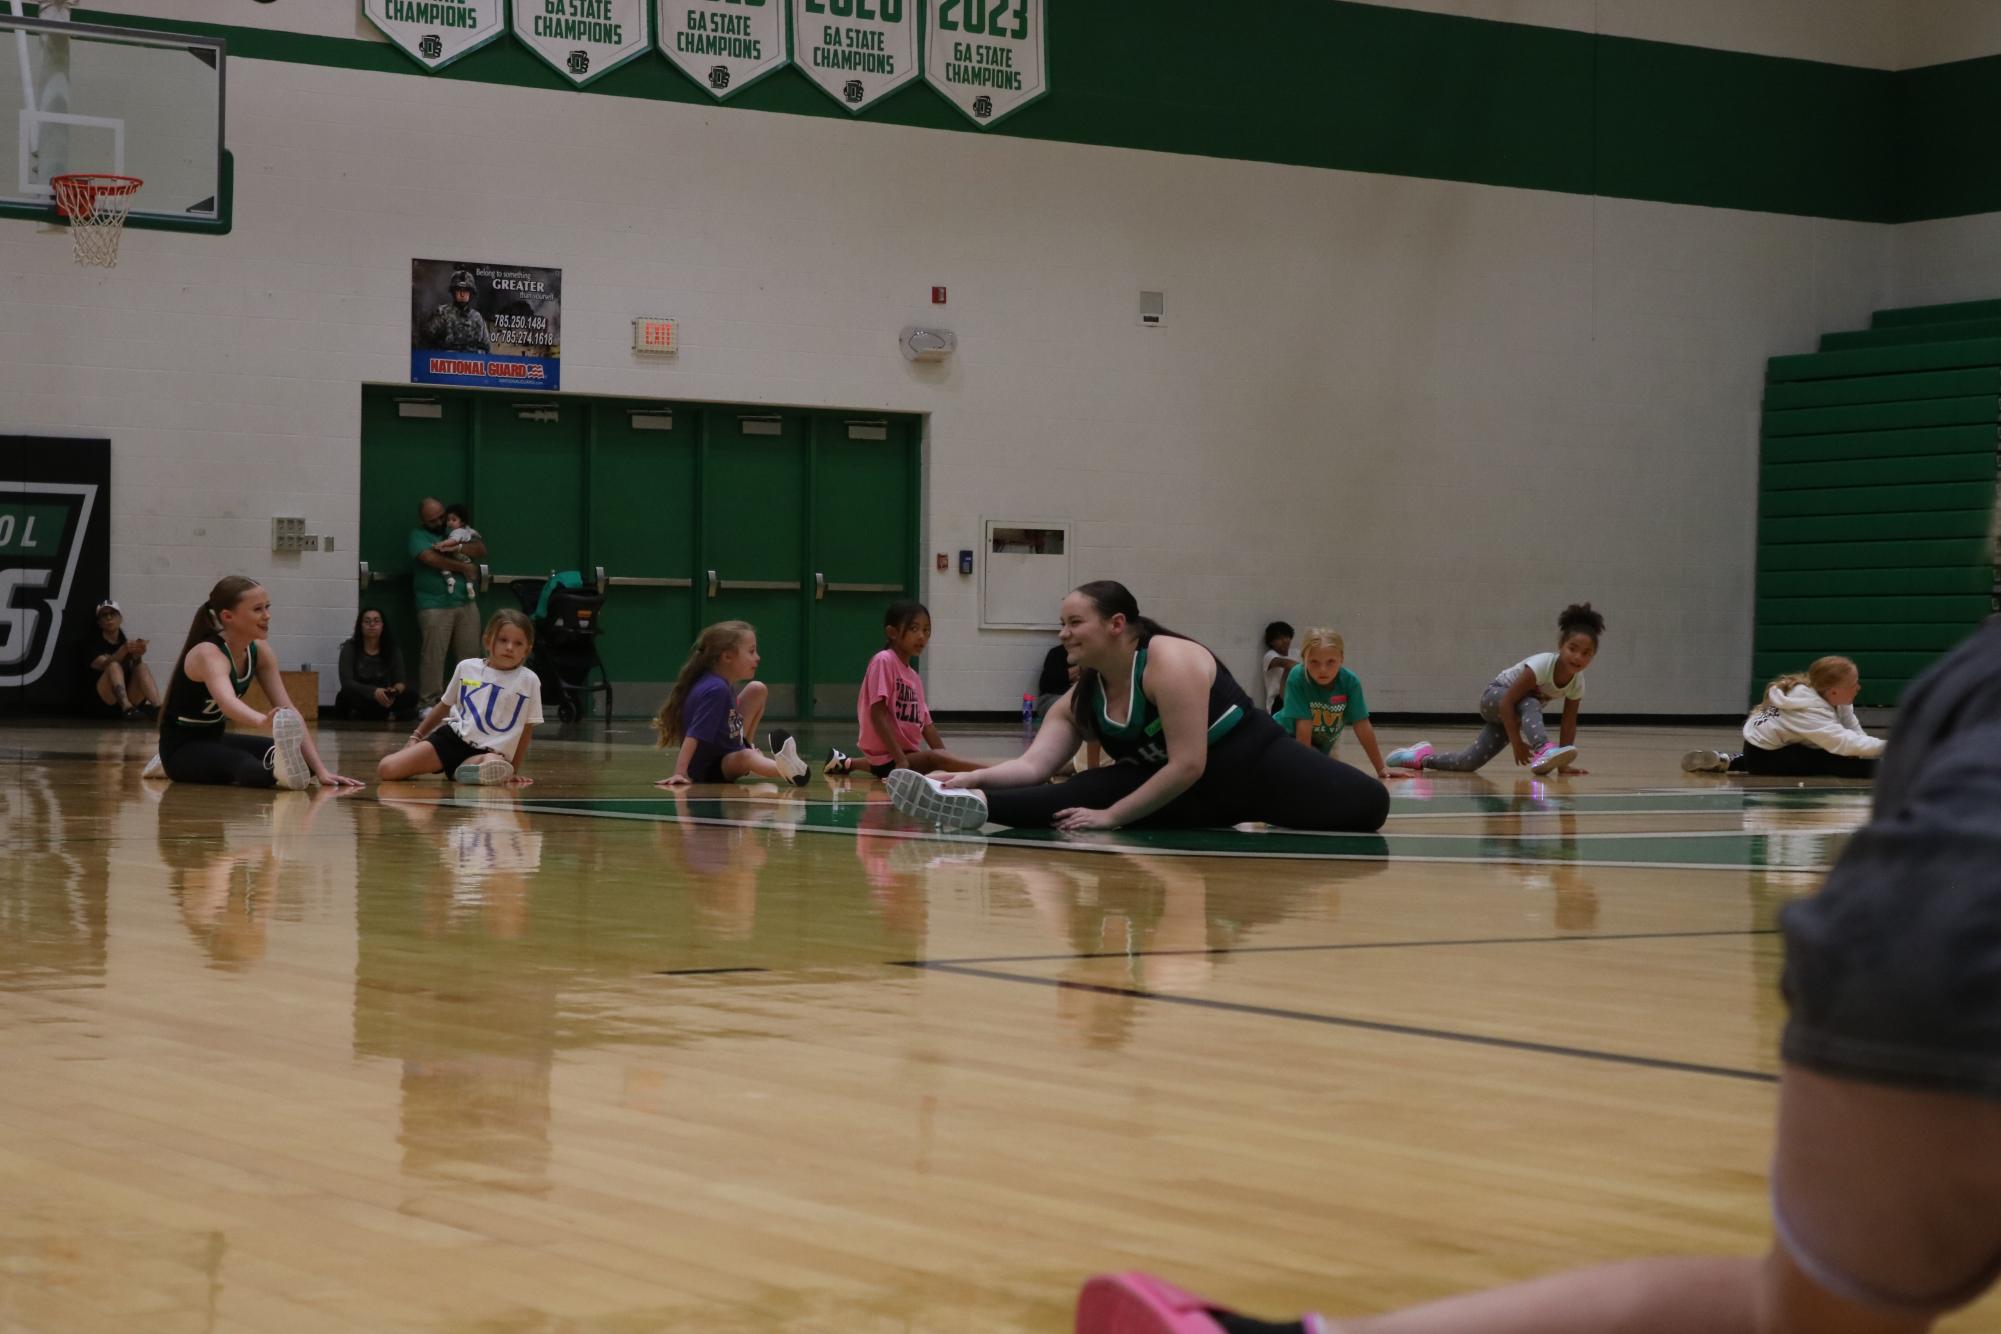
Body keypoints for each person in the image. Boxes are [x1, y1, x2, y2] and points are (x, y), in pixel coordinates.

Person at [1074, 615, 2001, 1334]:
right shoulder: (1521, 669)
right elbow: (1514, 705)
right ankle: (1423, 759)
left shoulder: (1963, 674)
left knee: (1799, 1311)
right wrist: (1519, 752)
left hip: (1892, 940)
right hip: (1948, 934)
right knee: (1477, 746)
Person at [883, 582, 1390, 833]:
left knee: (1370, 806)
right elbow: (1034, 766)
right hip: (1180, 792)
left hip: (1253, 768)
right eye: (1062, 623)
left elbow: (1190, 762)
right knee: (1074, 795)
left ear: (1116, 624)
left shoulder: (1171, 661)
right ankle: (957, 807)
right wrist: (974, 780)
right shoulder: (1080, 698)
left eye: (1074, 622)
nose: (1063, 633)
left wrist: (1112, 819)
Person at [151, 575, 361, 789]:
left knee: (304, 764)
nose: (267, 616)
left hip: (215, 740)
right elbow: (227, 702)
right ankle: (161, 762)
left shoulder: (260, 651)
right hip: (181, 749)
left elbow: (289, 708)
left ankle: (283, 768)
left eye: (267, 607)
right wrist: (262, 721)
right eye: (257, 609)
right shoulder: (209, 654)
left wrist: (322, 771)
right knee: (248, 768)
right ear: (228, 616)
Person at [1387, 604, 1603, 777]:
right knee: (1531, 702)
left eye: (1586, 653)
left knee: (1468, 762)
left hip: (1512, 714)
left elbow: (1568, 723)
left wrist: (1564, 764)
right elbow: (1507, 702)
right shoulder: (1542, 665)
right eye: (1572, 649)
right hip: (1495, 699)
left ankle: (1419, 758)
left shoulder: (1577, 683)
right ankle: (1542, 749)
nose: (1578, 657)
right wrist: (1517, 743)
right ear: (1560, 646)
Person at [377, 609, 543, 785]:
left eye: (518, 643)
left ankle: (469, 771)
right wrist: (415, 737)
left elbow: (526, 729)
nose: (510, 647)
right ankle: (466, 772)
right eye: (503, 640)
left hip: (490, 752)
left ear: (527, 649)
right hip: (451, 741)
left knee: (492, 762)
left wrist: (513, 770)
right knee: (386, 768)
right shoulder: (466, 668)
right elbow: (443, 706)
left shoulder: (529, 680)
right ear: (488, 641)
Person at [825, 601, 983, 778]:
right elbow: (877, 714)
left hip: (901, 756)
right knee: (934, 758)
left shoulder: (914, 677)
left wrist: (948, 760)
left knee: (940, 757)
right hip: (893, 758)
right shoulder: (884, 661)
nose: (922, 636)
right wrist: (902, 760)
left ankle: (846, 763)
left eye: (926, 630)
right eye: (914, 629)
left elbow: (927, 726)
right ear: (892, 632)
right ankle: (992, 772)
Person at [652, 621, 809, 788]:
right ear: (727, 657)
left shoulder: (721, 682)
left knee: (757, 689)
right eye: (751, 651)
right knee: (747, 758)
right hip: (711, 768)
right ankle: (789, 770)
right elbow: (694, 735)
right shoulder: (716, 690)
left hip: (730, 749)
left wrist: (743, 746)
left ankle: (748, 747)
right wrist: (680, 773)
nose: (758, 657)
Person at [1683, 656, 1884, 778]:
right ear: (1833, 692)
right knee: (1832, 761)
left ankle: (1728, 760)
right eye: (1853, 684)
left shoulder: (1831, 697)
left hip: (1767, 749)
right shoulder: (1808, 709)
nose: (1858, 687)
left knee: (1831, 752)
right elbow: (1844, 743)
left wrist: (1866, 750)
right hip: (1767, 758)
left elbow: (1853, 731)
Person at [1273, 628, 1399, 781]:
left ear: (1342, 658)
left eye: (1330, 662)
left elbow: (1362, 725)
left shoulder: (1350, 682)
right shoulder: (1298, 677)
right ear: (1304, 659)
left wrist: (1381, 768)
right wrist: (1304, 771)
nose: (1323, 669)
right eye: (1314, 662)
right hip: (1283, 737)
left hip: (1319, 746)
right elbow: (1303, 728)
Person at [410, 495, 485, 707]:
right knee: (434, 656)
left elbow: (480, 548)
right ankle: (429, 703)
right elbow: (429, 558)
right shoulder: (418, 535)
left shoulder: (455, 529)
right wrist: (464, 567)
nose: (439, 522)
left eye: (441, 517)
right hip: (434, 605)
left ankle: (470, 701)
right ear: (423, 521)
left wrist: (458, 548)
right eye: (433, 520)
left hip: (465, 602)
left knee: (471, 657)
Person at [81, 599, 160, 720]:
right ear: (99, 623)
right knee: (113, 666)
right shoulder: (92, 643)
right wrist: (123, 650)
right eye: (104, 615)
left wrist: (137, 655)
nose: (109, 618)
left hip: (129, 695)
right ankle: (127, 708)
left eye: (113, 614)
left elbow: (135, 671)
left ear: (120, 619)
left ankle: (159, 709)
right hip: (105, 699)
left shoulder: (125, 642)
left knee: (142, 667)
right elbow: (102, 665)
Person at [335, 607, 417, 721]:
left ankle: (369, 715)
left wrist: (394, 691)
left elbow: (400, 681)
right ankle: (385, 715)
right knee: (344, 696)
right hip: (362, 695)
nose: (372, 624)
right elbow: (346, 682)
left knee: (412, 695)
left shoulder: (392, 649)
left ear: (382, 626)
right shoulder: (350, 648)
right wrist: (373, 692)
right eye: (367, 621)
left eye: (376, 621)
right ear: (360, 626)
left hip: (384, 696)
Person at [420, 267, 490, 352]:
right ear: (453, 292)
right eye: (459, 290)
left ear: (471, 293)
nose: (462, 294)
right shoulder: (442, 314)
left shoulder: (477, 318)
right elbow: (425, 343)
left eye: (466, 290)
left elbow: (486, 349)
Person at [1260, 621, 1297, 713]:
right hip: (1277, 702)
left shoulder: (1296, 653)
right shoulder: (1270, 656)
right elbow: (1289, 665)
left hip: (1295, 697)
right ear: (1272, 642)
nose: (1285, 640)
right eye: (1280, 638)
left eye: (1287, 637)